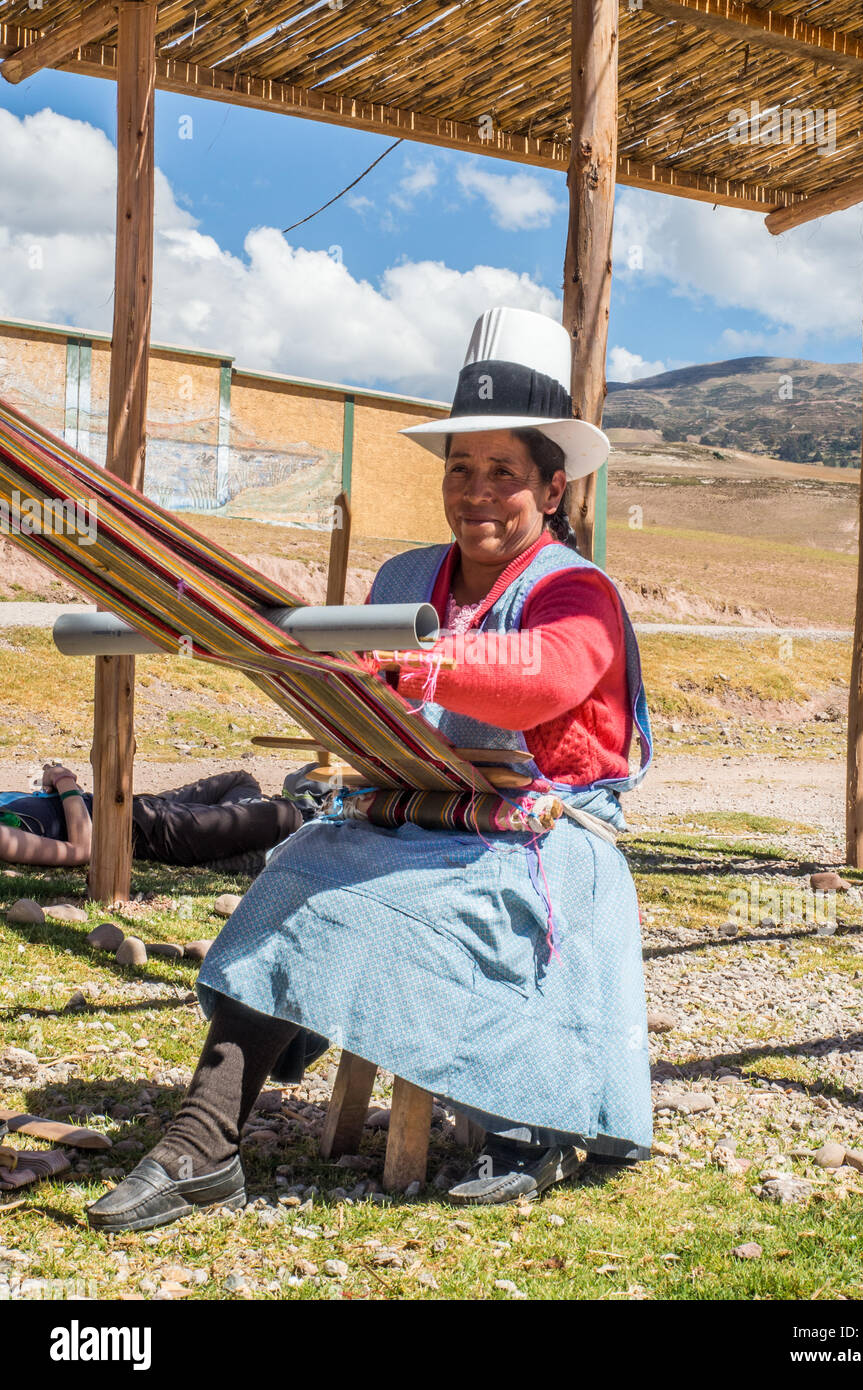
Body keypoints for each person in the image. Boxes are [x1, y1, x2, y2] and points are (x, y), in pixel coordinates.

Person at [87, 305, 654, 1233]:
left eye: (503, 473)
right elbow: (364, 702)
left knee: (362, 902)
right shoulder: (402, 580)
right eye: (460, 470)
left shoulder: (575, 591)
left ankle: (526, 1122)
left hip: (539, 843)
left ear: (552, 490)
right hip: (410, 814)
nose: (476, 492)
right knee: (298, 870)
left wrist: (395, 663)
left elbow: (538, 683)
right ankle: (201, 1145)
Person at [0, 764, 304, 869]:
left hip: (138, 806)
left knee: (239, 781)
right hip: (146, 832)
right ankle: (236, 849)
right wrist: (65, 781)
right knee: (286, 815)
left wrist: (58, 785)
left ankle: (234, 846)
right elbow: (82, 849)